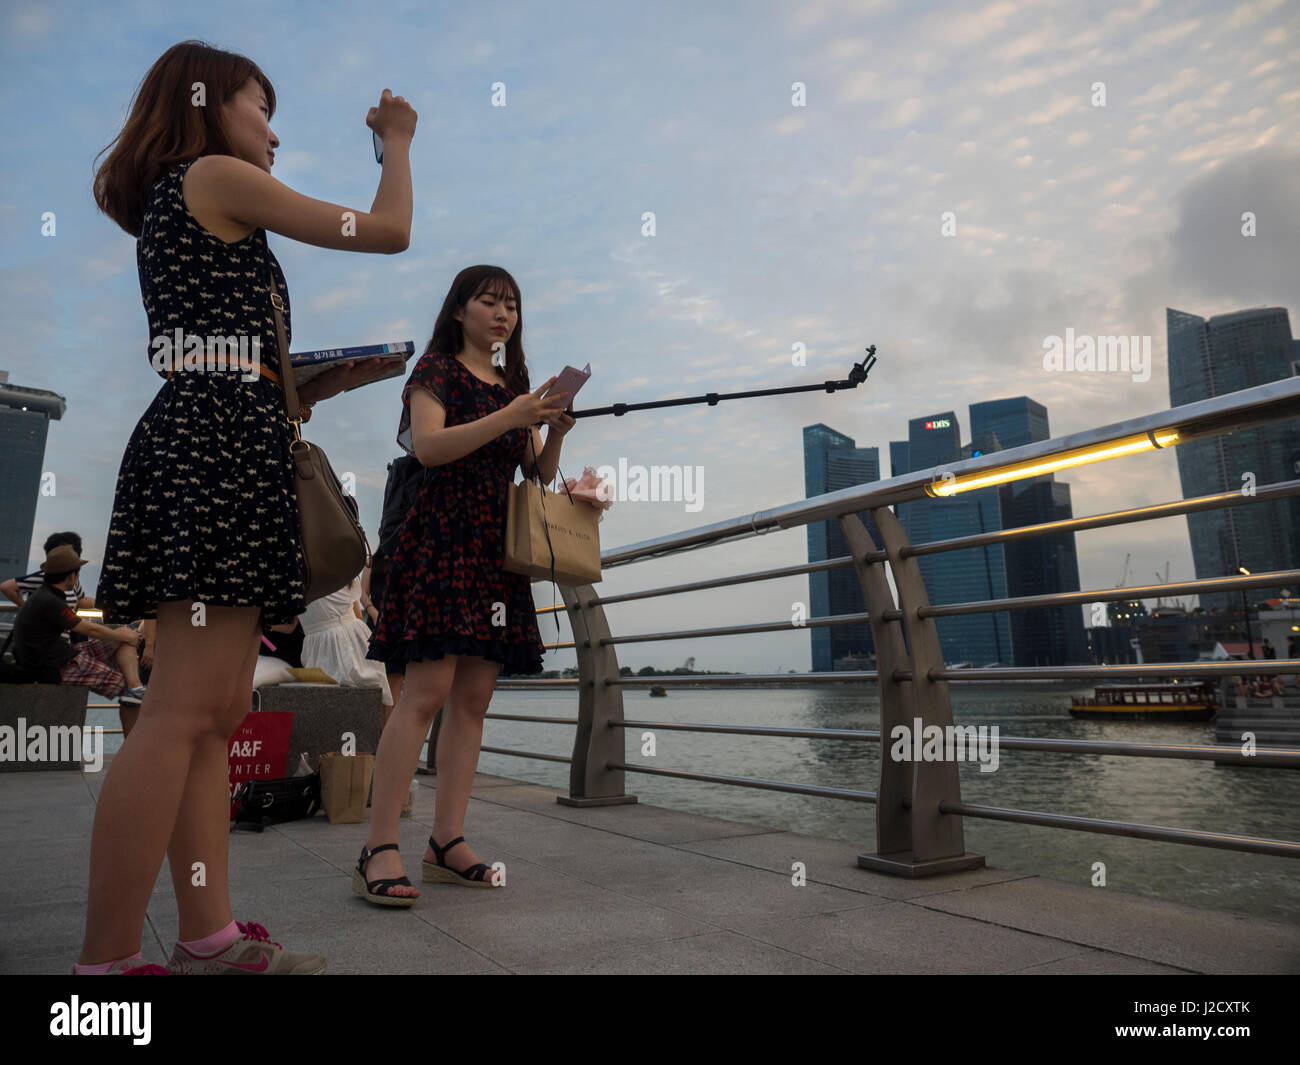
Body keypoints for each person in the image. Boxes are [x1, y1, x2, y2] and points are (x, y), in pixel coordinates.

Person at [78, 39, 417, 974]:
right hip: (216, 451)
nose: (273, 128)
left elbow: (222, 355)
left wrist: (312, 386)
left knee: (215, 706)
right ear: (206, 104)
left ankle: (208, 931)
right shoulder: (213, 175)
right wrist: (396, 142)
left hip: (225, 434)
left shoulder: (186, 202)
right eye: (260, 105)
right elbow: (387, 232)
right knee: (186, 709)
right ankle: (102, 970)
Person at [361, 266, 573, 905]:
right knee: (424, 692)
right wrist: (511, 414)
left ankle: (446, 841)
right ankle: (379, 845)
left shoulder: (516, 386)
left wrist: (552, 430)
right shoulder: (434, 371)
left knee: (475, 699)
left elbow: (534, 472)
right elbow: (429, 447)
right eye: (489, 301)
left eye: (511, 304)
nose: (502, 313)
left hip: (493, 550)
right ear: (460, 309)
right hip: (441, 539)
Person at [10, 546, 148, 729]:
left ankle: (135, 687)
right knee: (121, 684)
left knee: (124, 637)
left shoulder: (46, 595)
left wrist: (122, 634)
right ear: (72, 576)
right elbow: (87, 628)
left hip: (60, 655)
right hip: (55, 665)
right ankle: (132, 696)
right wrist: (118, 633)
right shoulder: (49, 601)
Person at [299, 573, 392, 706]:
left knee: (329, 707)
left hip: (327, 643)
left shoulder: (299, 570)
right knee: (367, 705)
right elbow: (357, 614)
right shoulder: (342, 565)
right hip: (354, 637)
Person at [2, 531, 97, 646]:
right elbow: (7, 587)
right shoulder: (46, 577)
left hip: (65, 641)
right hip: (45, 645)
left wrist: (107, 603)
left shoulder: (70, 578)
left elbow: (81, 600)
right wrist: (26, 609)